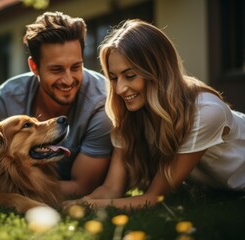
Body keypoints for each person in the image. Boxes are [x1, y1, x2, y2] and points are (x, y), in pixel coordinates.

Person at [68, 19, 245, 210]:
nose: (119, 89)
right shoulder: (129, 113)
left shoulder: (206, 112)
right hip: (218, 192)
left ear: (157, 71)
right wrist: (75, 203)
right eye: (113, 77)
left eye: (130, 76)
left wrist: (89, 206)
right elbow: (112, 189)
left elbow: (152, 198)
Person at [0, 11, 113, 198]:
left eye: (76, 67)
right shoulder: (7, 98)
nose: (68, 80)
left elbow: (82, 186)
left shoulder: (103, 103)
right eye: (56, 69)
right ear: (34, 67)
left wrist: (16, 192)